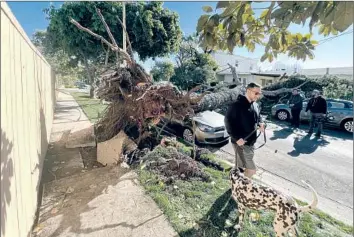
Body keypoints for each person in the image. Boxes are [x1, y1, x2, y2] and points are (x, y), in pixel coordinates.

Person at [224, 82, 265, 178]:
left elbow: (258, 117)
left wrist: (261, 123)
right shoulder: (236, 105)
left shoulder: (255, 105)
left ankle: (238, 186)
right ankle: (243, 187)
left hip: (250, 143)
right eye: (256, 93)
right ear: (248, 91)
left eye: (259, 93)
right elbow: (228, 122)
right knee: (251, 170)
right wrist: (237, 138)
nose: (258, 96)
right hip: (240, 143)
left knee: (241, 167)